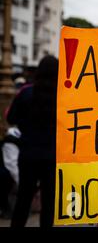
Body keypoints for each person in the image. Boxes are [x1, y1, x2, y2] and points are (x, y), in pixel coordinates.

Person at [6, 56, 59, 227]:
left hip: (28, 155)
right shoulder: (63, 97)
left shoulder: (26, 93)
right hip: (52, 157)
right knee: (49, 203)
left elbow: (10, 118)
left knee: (23, 200)